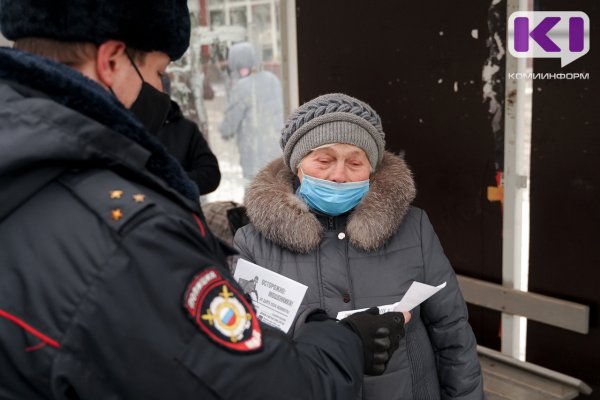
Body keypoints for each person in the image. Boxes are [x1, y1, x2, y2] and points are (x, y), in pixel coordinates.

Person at [0, 2, 410, 399]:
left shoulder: (26, 177)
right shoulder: (132, 235)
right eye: (159, 72)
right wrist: (342, 342)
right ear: (111, 61)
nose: (161, 89)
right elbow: (265, 388)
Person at [234, 93, 485, 399]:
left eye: (355, 162)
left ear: (372, 169)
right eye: (324, 160)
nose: (339, 175)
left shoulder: (413, 228)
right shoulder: (253, 243)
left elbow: (452, 331)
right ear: (297, 165)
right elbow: (245, 350)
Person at [219, 42, 283, 184]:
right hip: (277, 152)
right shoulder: (272, 79)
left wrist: (223, 130)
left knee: (255, 196)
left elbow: (229, 125)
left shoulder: (242, 87)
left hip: (254, 156)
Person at [160, 97, 221, 195]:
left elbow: (210, 175)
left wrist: (172, 180)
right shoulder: (128, 129)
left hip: (178, 207)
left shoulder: (186, 129)